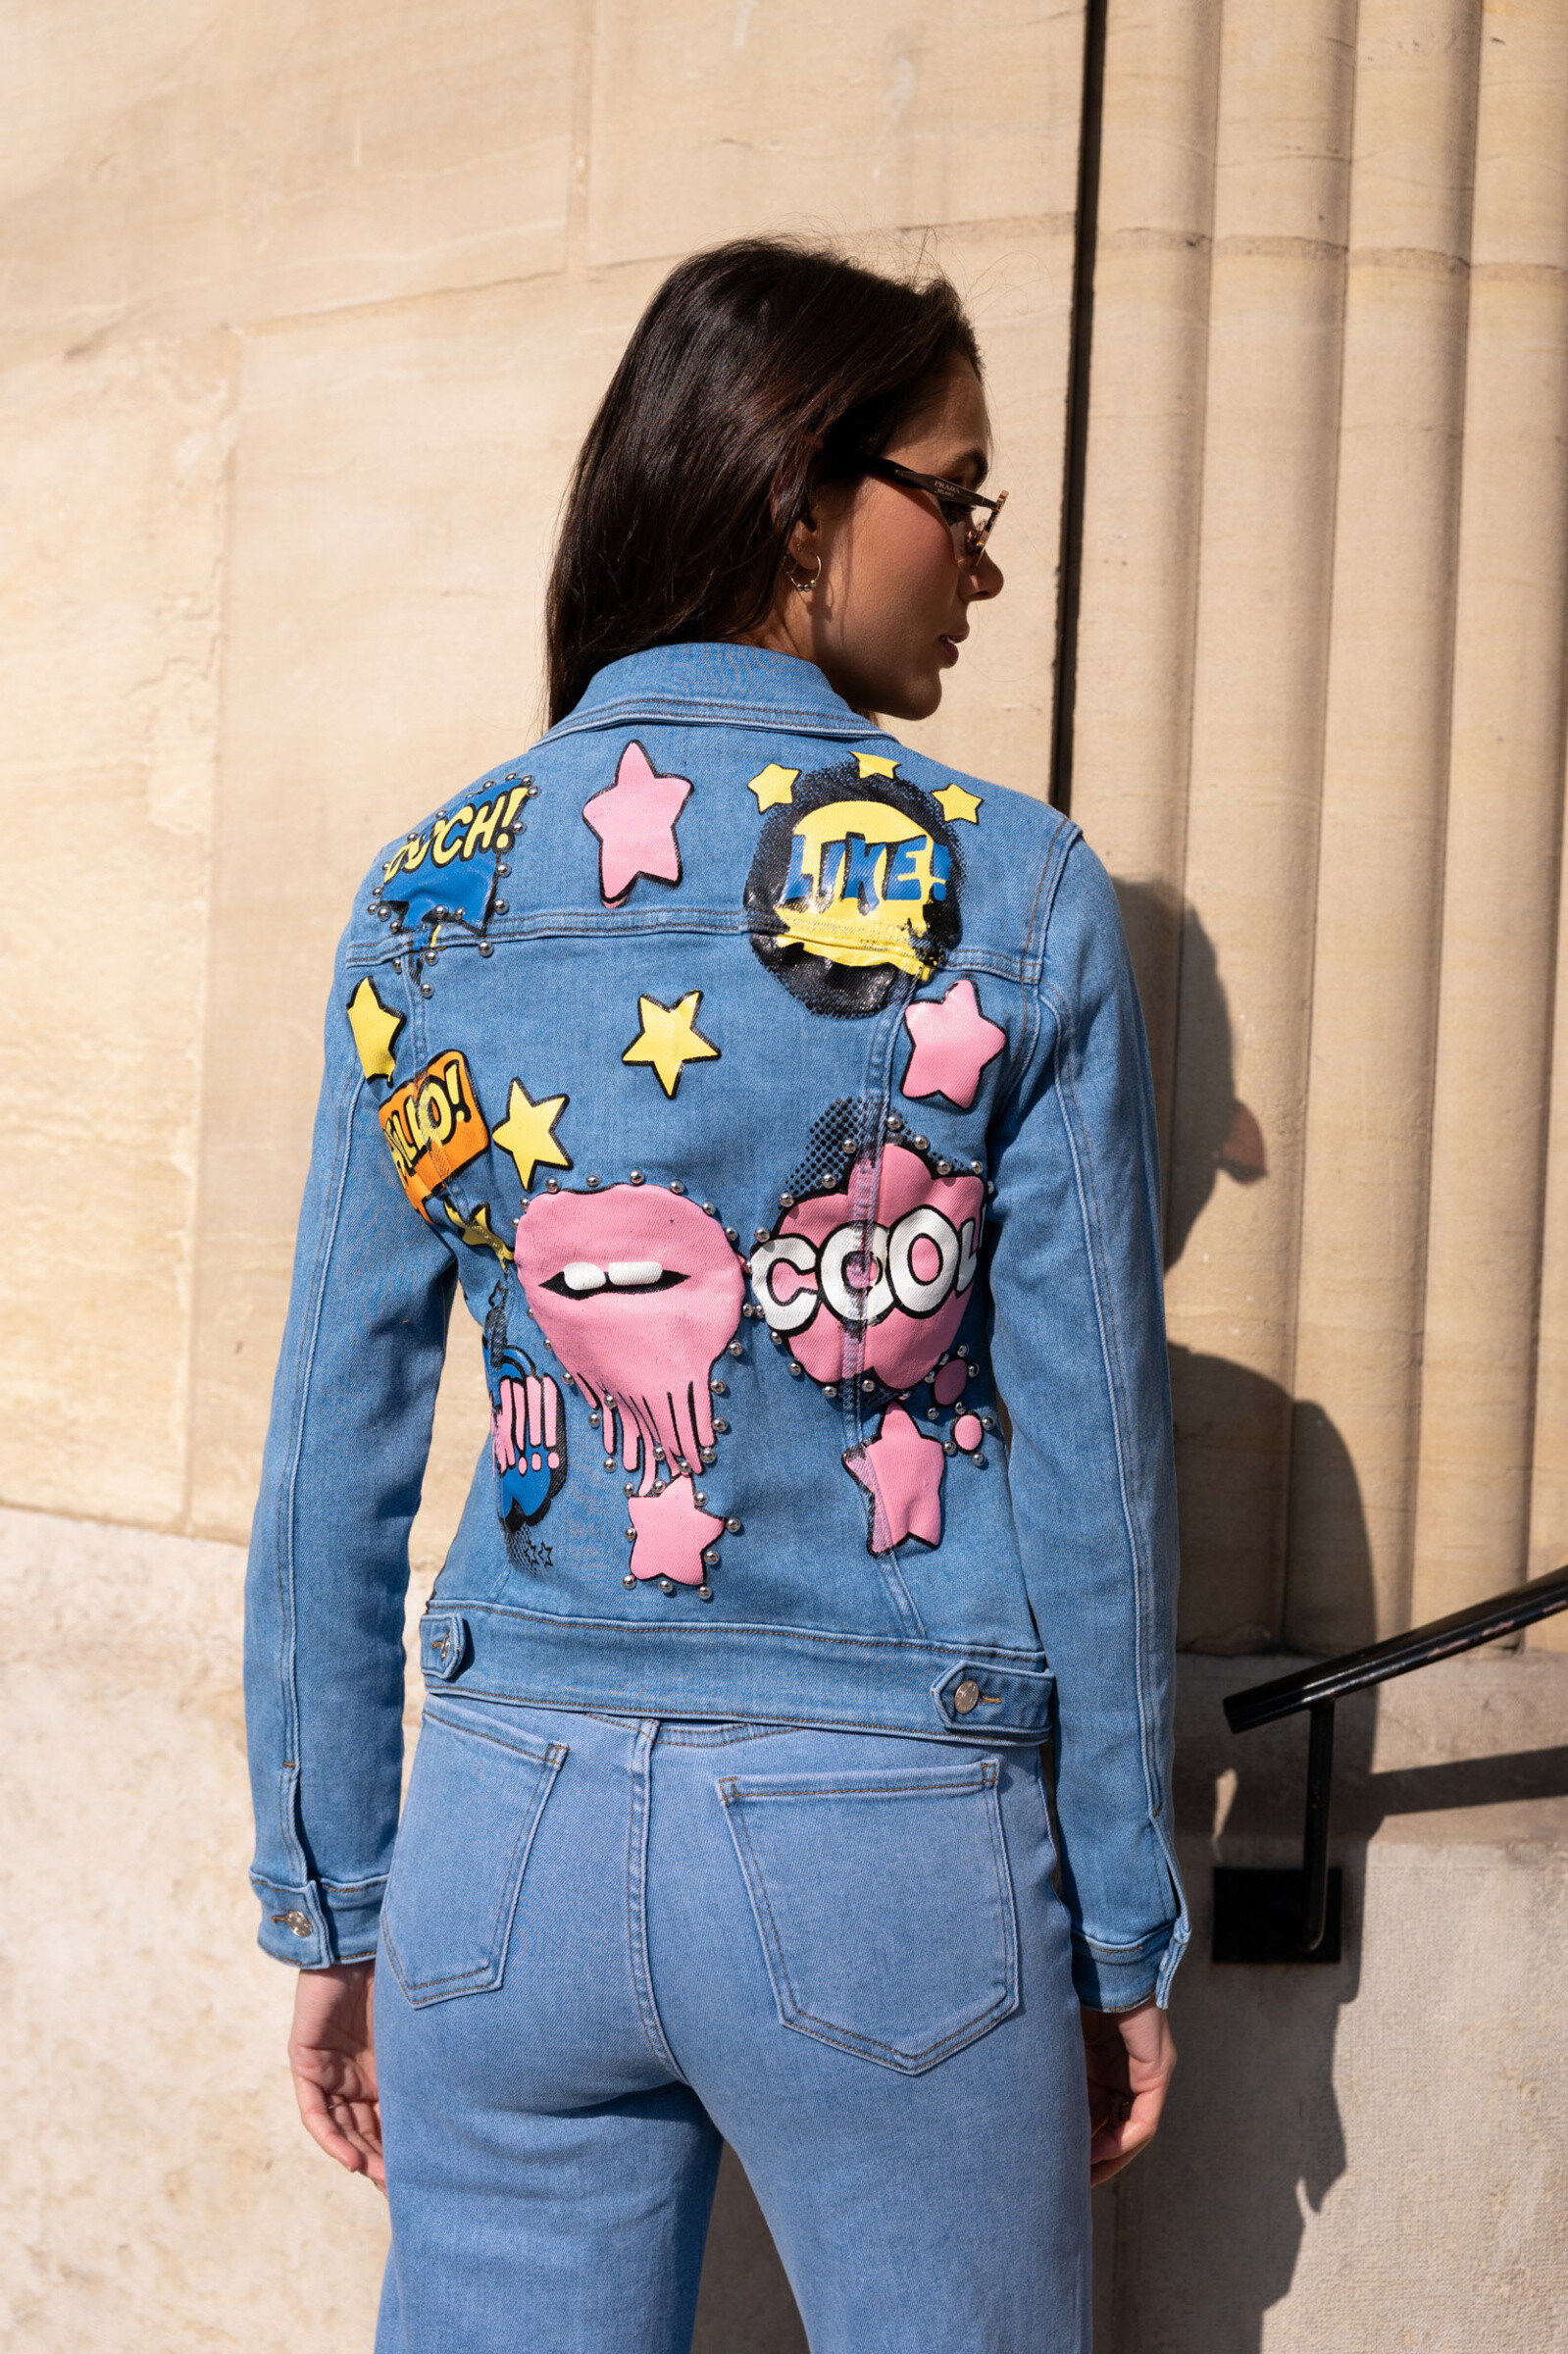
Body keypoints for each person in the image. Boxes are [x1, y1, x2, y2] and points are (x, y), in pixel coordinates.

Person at [245, 236, 1186, 2354]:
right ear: (797, 496)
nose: (981, 563)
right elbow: (1098, 1481)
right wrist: (1123, 1923)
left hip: (504, 1840)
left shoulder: (430, 895)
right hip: (895, 1848)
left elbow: (329, 1452)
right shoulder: (1017, 891)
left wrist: (335, 1893)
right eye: (956, 495)